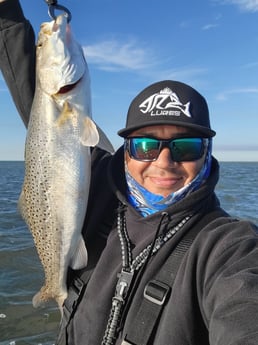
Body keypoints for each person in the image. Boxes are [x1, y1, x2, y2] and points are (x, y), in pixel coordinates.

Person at [1, 1, 258, 345]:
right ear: (125, 151)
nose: (164, 161)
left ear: (208, 152)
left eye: (186, 147)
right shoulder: (99, 189)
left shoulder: (228, 247)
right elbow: (41, 110)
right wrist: (7, 16)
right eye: (145, 146)